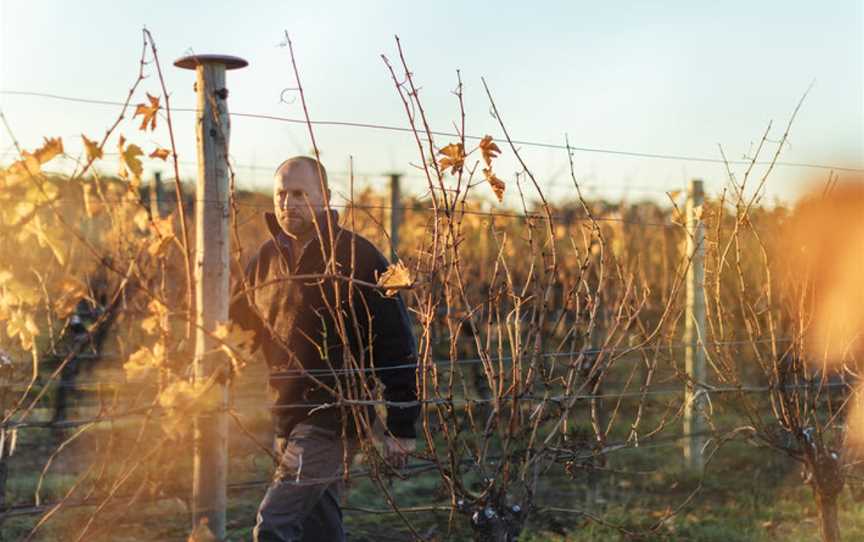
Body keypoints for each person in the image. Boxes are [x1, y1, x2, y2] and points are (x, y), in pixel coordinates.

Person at [229, 156, 419, 542]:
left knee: (274, 525)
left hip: (335, 417)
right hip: (285, 414)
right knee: (321, 529)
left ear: (326, 197)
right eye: (282, 193)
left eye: (300, 193)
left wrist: (401, 424)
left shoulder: (358, 257)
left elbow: (396, 343)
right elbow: (237, 330)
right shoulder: (266, 260)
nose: (288, 203)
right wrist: (207, 375)